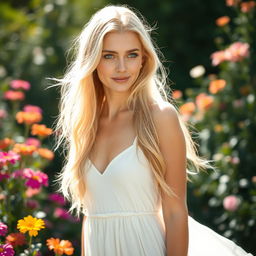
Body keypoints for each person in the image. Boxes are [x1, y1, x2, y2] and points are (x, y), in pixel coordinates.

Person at [49, 5, 253, 256]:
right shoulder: (85, 123)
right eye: (109, 55)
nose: (122, 67)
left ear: (144, 58)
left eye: (132, 55)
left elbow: (176, 212)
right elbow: (90, 215)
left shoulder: (160, 117)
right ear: (93, 60)